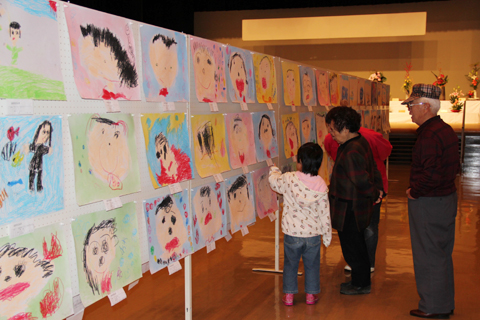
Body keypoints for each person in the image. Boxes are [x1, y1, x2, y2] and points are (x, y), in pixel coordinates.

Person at [402, 84, 459, 319]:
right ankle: (443, 302)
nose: (409, 111)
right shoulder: (444, 129)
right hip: (444, 199)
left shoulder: (429, 135)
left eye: (412, 106)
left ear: (426, 106)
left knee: (428, 254)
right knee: (441, 252)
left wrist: (415, 191)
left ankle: (433, 306)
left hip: (429, 202)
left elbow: (431, 174)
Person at [326, 106, 383, 295]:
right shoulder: (359, 141)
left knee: (352, 247)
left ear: (345, 128)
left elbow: (361, 180)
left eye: (333, 130)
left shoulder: (351, 151)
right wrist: (378, 190)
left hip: (349, 208)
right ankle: (361, 280)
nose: (331, 134)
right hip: (355, 206)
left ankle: (360, 284)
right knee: (357, 244)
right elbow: (373, 167)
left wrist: (375, 193)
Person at [269, 143, 331, 306]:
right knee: (312, 265)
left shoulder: (289, 178)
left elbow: (274, 183)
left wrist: (273, 170)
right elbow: (325, 213)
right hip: (313, 236)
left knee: (290, 265)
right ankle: (310, 296)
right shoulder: (321, 185)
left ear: (301, 161)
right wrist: (327, 235)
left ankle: (289, 296)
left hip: (292, 233)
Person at [324, 125, 392, 273]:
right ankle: (366, 264)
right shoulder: (369, 136)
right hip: (367, 189)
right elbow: (385, 153)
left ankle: (358, 266)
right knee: (367, 227)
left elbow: (332, 155)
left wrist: (374, 192)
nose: (332, 133)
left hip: (359, 191)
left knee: (355, 230)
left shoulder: (341, 141)